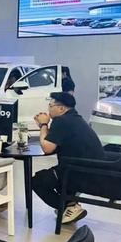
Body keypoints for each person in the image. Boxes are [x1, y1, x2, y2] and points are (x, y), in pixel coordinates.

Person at [32, 92, 105, 224]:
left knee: (38, 181)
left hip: (78, 172)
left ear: (61, 108)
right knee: (54, 174)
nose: (48, 109)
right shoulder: (74, 119)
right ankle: (69, 205)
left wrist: (43, 125)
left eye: (50, 106)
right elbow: (53, 141)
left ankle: (69, 207)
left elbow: (47, 147)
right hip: (92, 169)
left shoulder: (61, 121)